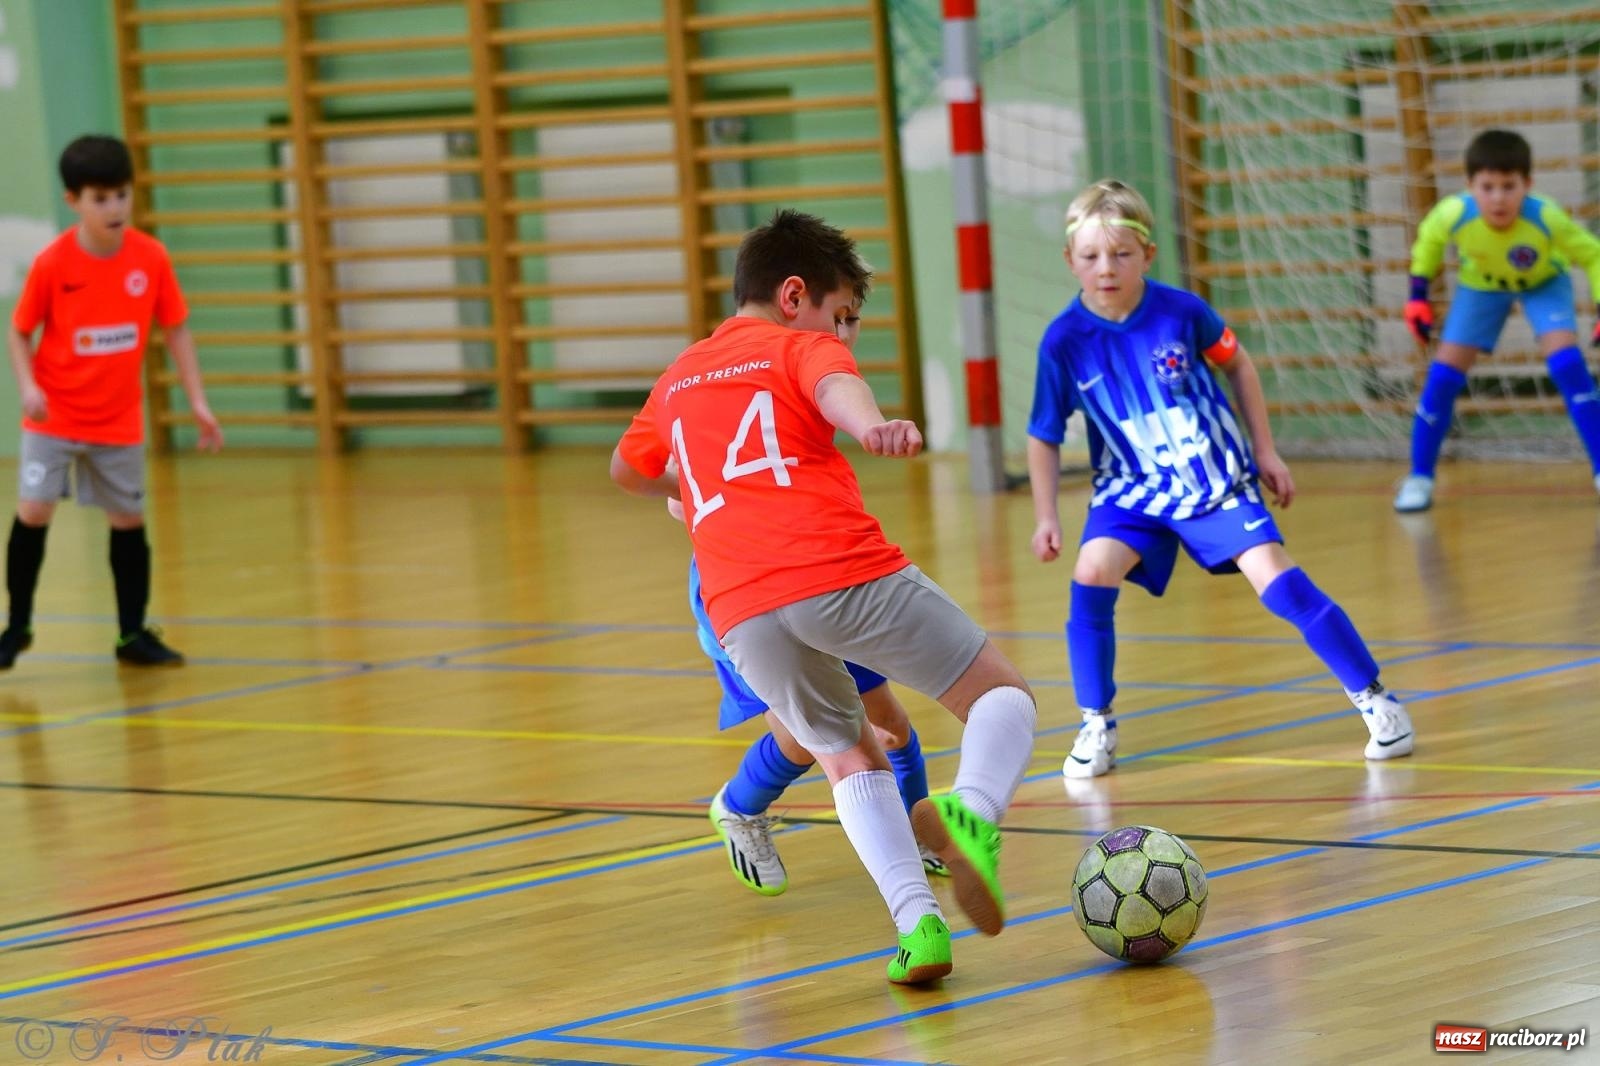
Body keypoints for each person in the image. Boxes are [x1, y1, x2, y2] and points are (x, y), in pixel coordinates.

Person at [612, 210, 1038, 986]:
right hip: (834, 568)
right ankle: (972, 811)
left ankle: (919, 930)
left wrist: (689, 493)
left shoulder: (680, 374)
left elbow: (625, 467)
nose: (842, 335)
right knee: (1001, 697)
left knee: (849, 755)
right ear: (794, 294)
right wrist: (871, 426)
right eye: (841, 317)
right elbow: (835, 384)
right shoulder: (801, 345)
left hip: (738, 604)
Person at [1026, 178, 1414, 781]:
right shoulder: (1063, 340)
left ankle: (1377, 701)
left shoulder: (1183, 311)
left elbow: (1240, 367)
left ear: (1147, 256)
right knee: (1090, 572)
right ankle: (1096, 722)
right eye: (1092, 256)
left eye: (1122, 254)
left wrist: (1266, 451)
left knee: (1277, 582)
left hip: (1214, 479)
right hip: (1132, 488)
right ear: (1070, 260)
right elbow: (1044, 433)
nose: (1107, 268)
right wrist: (1047, 515)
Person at [668, 304, 948, 896]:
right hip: (741, 588)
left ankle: (921, 831)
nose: (843, 332)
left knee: (892, 726)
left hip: (820, 577)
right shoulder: (727, 381)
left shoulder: (815, 382)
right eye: (835, 316)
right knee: (808, 737)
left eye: (852, 319)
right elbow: (674, 489)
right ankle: (740, 807)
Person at [2, 134, 222, 670]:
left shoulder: (151, 258)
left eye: (122, 195)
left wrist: (198, 400)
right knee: (33, 511)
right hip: (54, 417)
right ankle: (17, 627)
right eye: (100, 198)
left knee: (128, 520)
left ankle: (131, 637)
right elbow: (19, 331)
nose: (115, 208)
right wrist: (29, 388)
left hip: (118, 420)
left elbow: (177, 330)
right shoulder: (54, 264)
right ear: (73, 200)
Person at [1397, 128, 1600, 512]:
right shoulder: (1453, 213)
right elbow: (1427, 241)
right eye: (1487, 186)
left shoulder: (1547, 217)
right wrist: (1417, 297)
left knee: (1569, 365)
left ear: (1528, 185)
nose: (1498, 198)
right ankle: (1420, 477)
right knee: (1441, 378)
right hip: (1481, 286)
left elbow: (1593, 255)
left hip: (1544, 283)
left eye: (1509, 186)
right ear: (1469, 184)